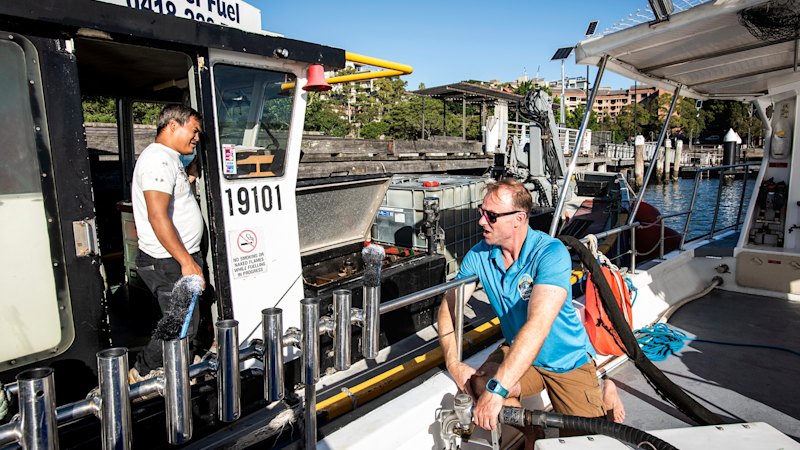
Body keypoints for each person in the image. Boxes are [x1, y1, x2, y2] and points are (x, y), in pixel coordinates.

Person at [437, 179, 617, 449]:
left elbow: (538, 324)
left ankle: (607, 391)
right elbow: (448, 308)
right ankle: (532, 436)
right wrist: (454, 363)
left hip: (566, 362)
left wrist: (498, 391)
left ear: (519, 219)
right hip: (520, 352)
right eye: (481, 212)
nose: (482, 222)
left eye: (491, 216)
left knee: (592, 441)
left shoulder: (550, 253)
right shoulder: (479, 256)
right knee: (480, 383)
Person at [129, 105, 206, 382]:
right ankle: (143, 373)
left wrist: (190, 176)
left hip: (175, 257)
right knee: (178, 324)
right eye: (194, 130)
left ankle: (178, 364)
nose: (196, 137)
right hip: (167, 260)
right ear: (174, 125)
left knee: (185, 319)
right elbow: (157, 215)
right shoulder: (158, 159)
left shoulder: (170, 159)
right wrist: (186, 262)